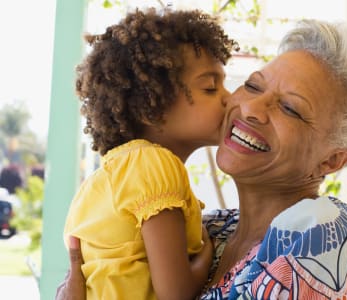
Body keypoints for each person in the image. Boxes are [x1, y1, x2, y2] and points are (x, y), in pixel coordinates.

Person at [57, 18, 347, 299]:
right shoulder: (211, 228)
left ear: (332, 160)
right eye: (252, 86)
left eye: (290, 108)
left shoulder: (321, 231)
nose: (250, 109)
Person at [62, 7, 237, 300]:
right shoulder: (155, 165)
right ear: (150, 106)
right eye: (210, 87)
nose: (229, 98)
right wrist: (211, 255)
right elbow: (176, 293)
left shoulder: (112, 173)